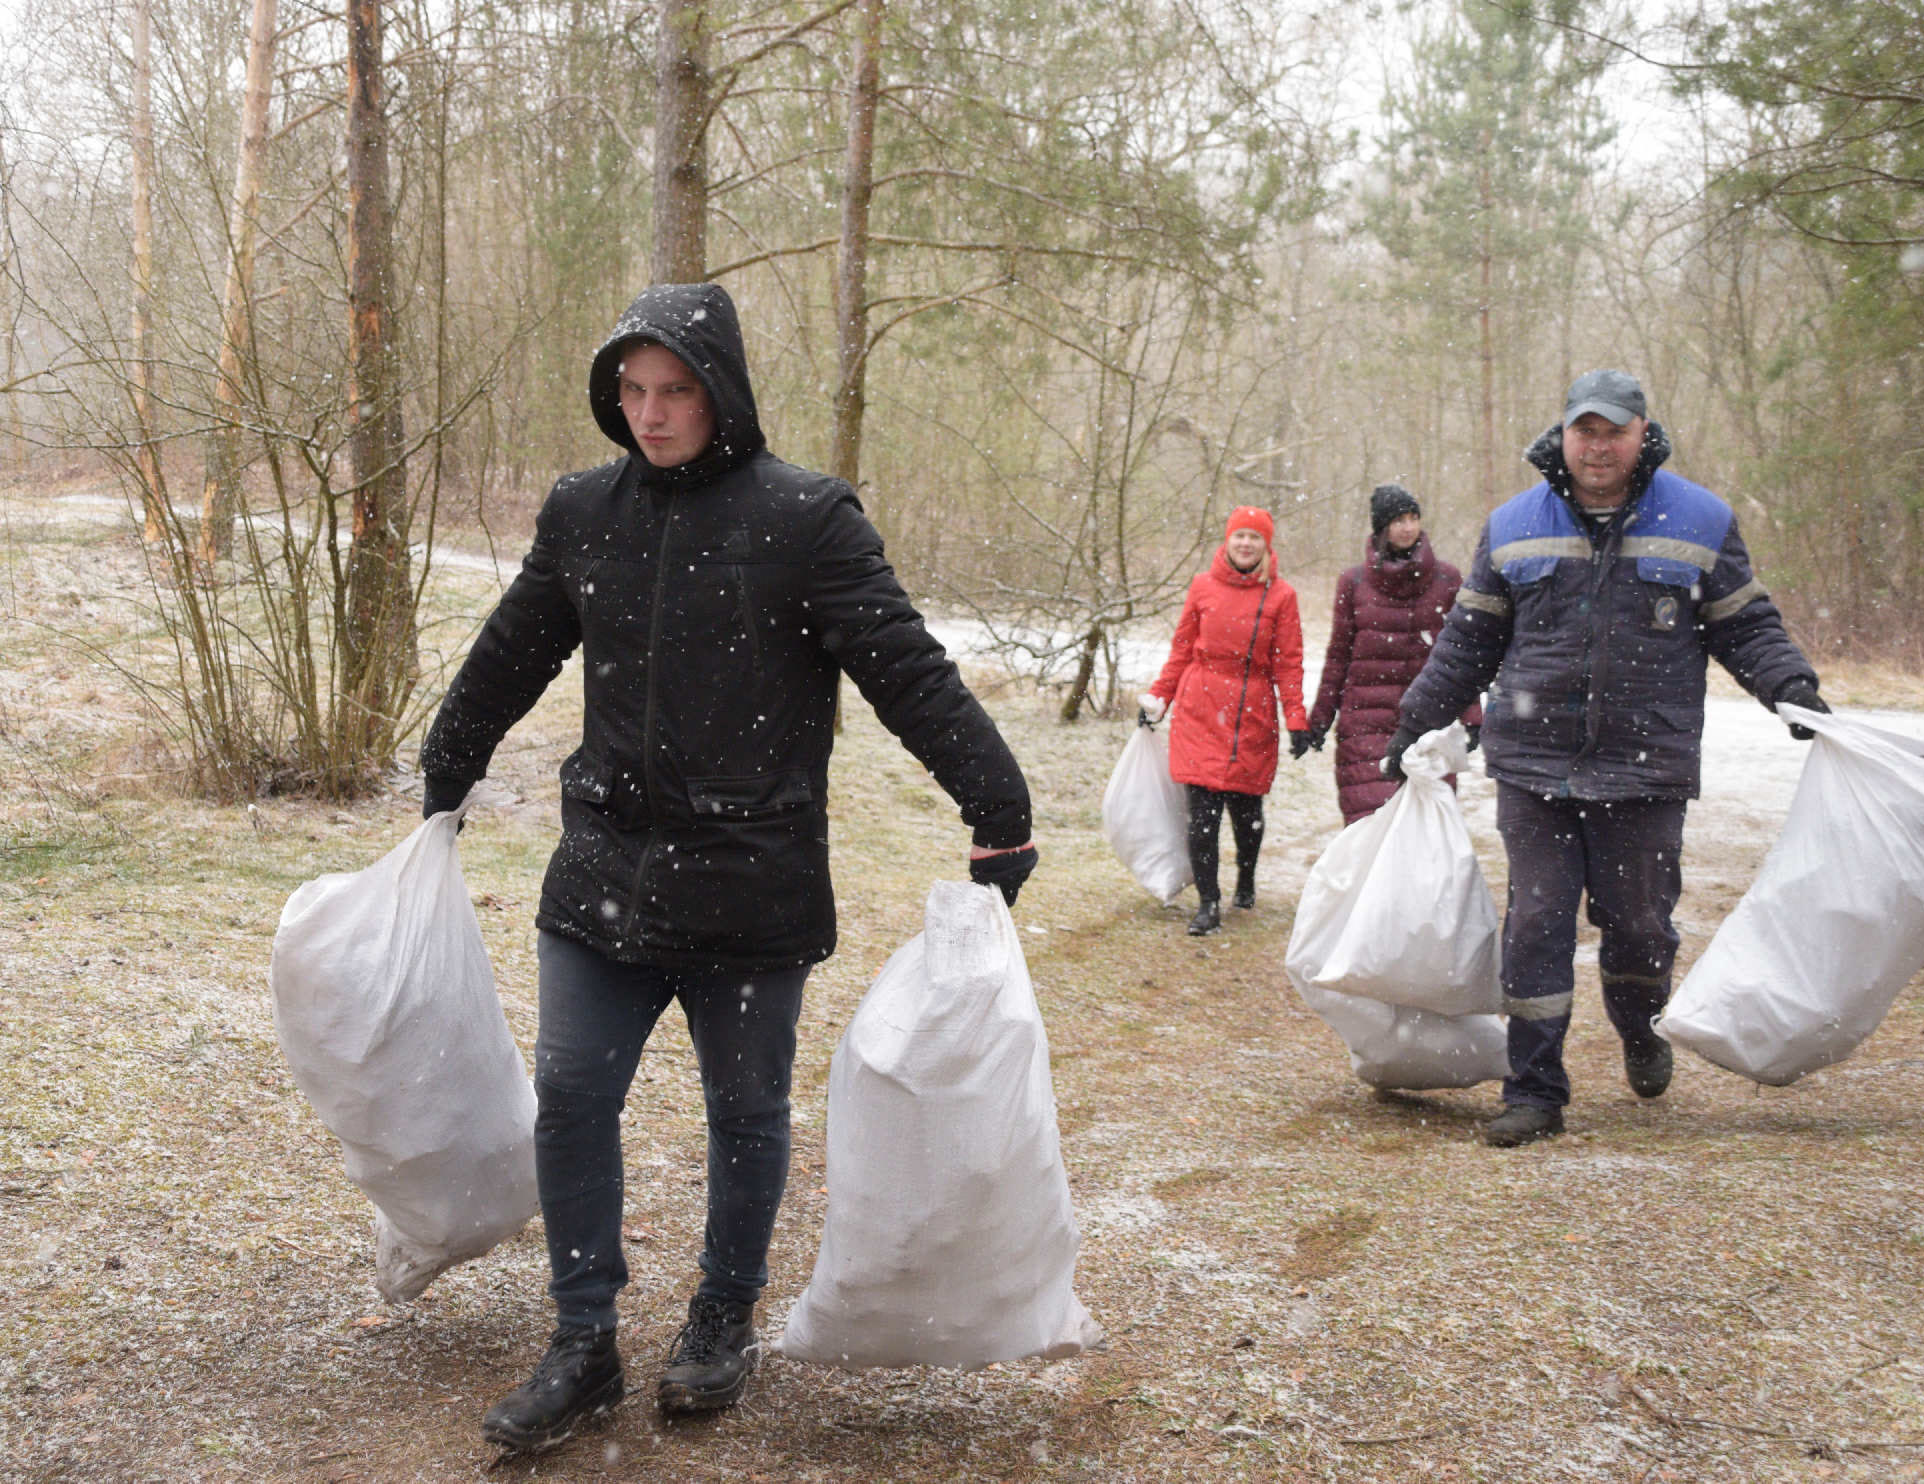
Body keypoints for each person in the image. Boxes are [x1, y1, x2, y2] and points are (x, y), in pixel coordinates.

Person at [420, 282, 1037, 1450]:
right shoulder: (583, 512)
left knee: (744, 1110)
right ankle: (582, 1336)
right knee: (571, 1098)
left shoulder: (805, 520)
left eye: (676, 392)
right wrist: (448, 759)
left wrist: (995, 802)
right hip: (601, 863)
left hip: (748, 873)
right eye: (632, 392)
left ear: (723, 394)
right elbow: (512, 651)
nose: (650, 415)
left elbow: (905, 668)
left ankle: (720, 1313)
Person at [1384, 369, 1826, 1148]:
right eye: (1584, 430)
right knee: (1536, 926)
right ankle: (1534, 1091)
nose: (1598, 446)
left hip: (1646, 766)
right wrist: (1411, 721)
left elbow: (1745, 624)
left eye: (1613, 431)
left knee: (1640, 928)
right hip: (1534, 768)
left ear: (1641, 433)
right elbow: (1467, 641)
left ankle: (1641, 1024)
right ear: (1562, 434)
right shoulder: (1514, 525)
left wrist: (1792, 690)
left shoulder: (1700, 519)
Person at [1139, 507, 1310, 936]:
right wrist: (1159, 696)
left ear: (1266, 545)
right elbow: (1181, 650)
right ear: (1228, 541)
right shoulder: (1202, 586)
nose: (1246, 544)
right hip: (1199, 708)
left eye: (1255, 537)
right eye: (1240, 537)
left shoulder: (1281, 596)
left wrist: (1297, 719)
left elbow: (1288, 664)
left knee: (1246, 808)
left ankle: (1246, 878)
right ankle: (1208, 903)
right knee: (1202, 814)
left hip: (1251, 714)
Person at [1305, 483, 1483, 825]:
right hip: (1365, 723)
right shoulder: (1353, 583)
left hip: (1429, 720)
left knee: (1428, 828)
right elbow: (1338, 656)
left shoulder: (1447, 579)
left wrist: (1472, 716)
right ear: (1382, 527)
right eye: (1398, 519)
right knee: (1373, 825)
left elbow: (1460, 653)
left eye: (1413, 517)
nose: (1407, 526)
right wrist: (1320, 719)